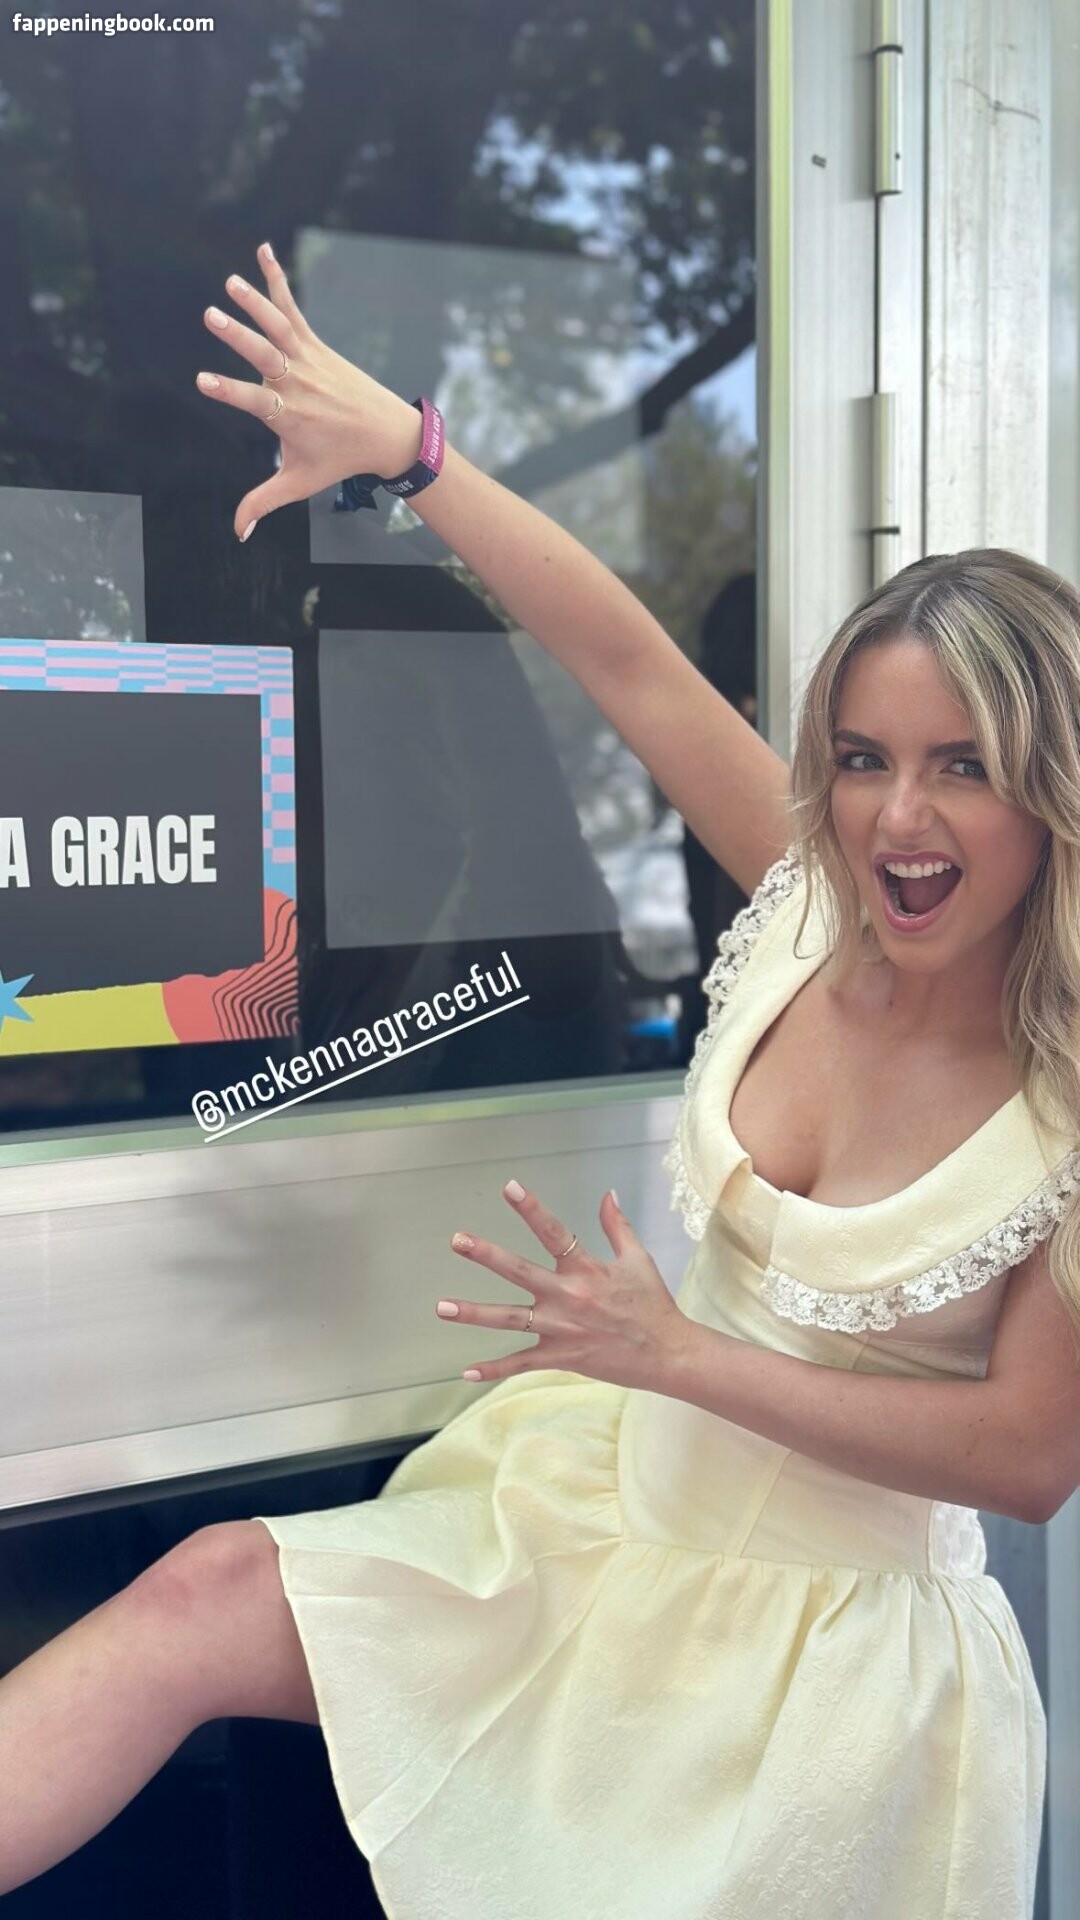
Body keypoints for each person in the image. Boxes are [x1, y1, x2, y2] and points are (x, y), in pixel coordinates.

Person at [2, 245, 1080, 1919]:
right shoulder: (807, 911)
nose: (899, 818)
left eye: (965, 768)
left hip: (828, 1685)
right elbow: (628, 661)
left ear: (1052, 790)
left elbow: (1027, 1459)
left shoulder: (1062, 1105)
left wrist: (680, 1355)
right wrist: (413, 456)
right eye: (865, 759)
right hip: (601, 1533)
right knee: (206, 1595)